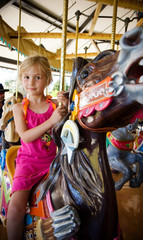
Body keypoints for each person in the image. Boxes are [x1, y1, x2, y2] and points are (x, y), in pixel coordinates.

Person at [6, 54, 68, 240]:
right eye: (26, 77)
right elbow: (25, 136)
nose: (31, 82)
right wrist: (52, 120)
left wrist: (65, 107)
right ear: (21, 79)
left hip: (52, 163)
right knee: (16, 208)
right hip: (28, 164)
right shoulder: (19, 108)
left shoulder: (54, 106)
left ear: (48, 80)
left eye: (37, 77)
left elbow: (63, 132)